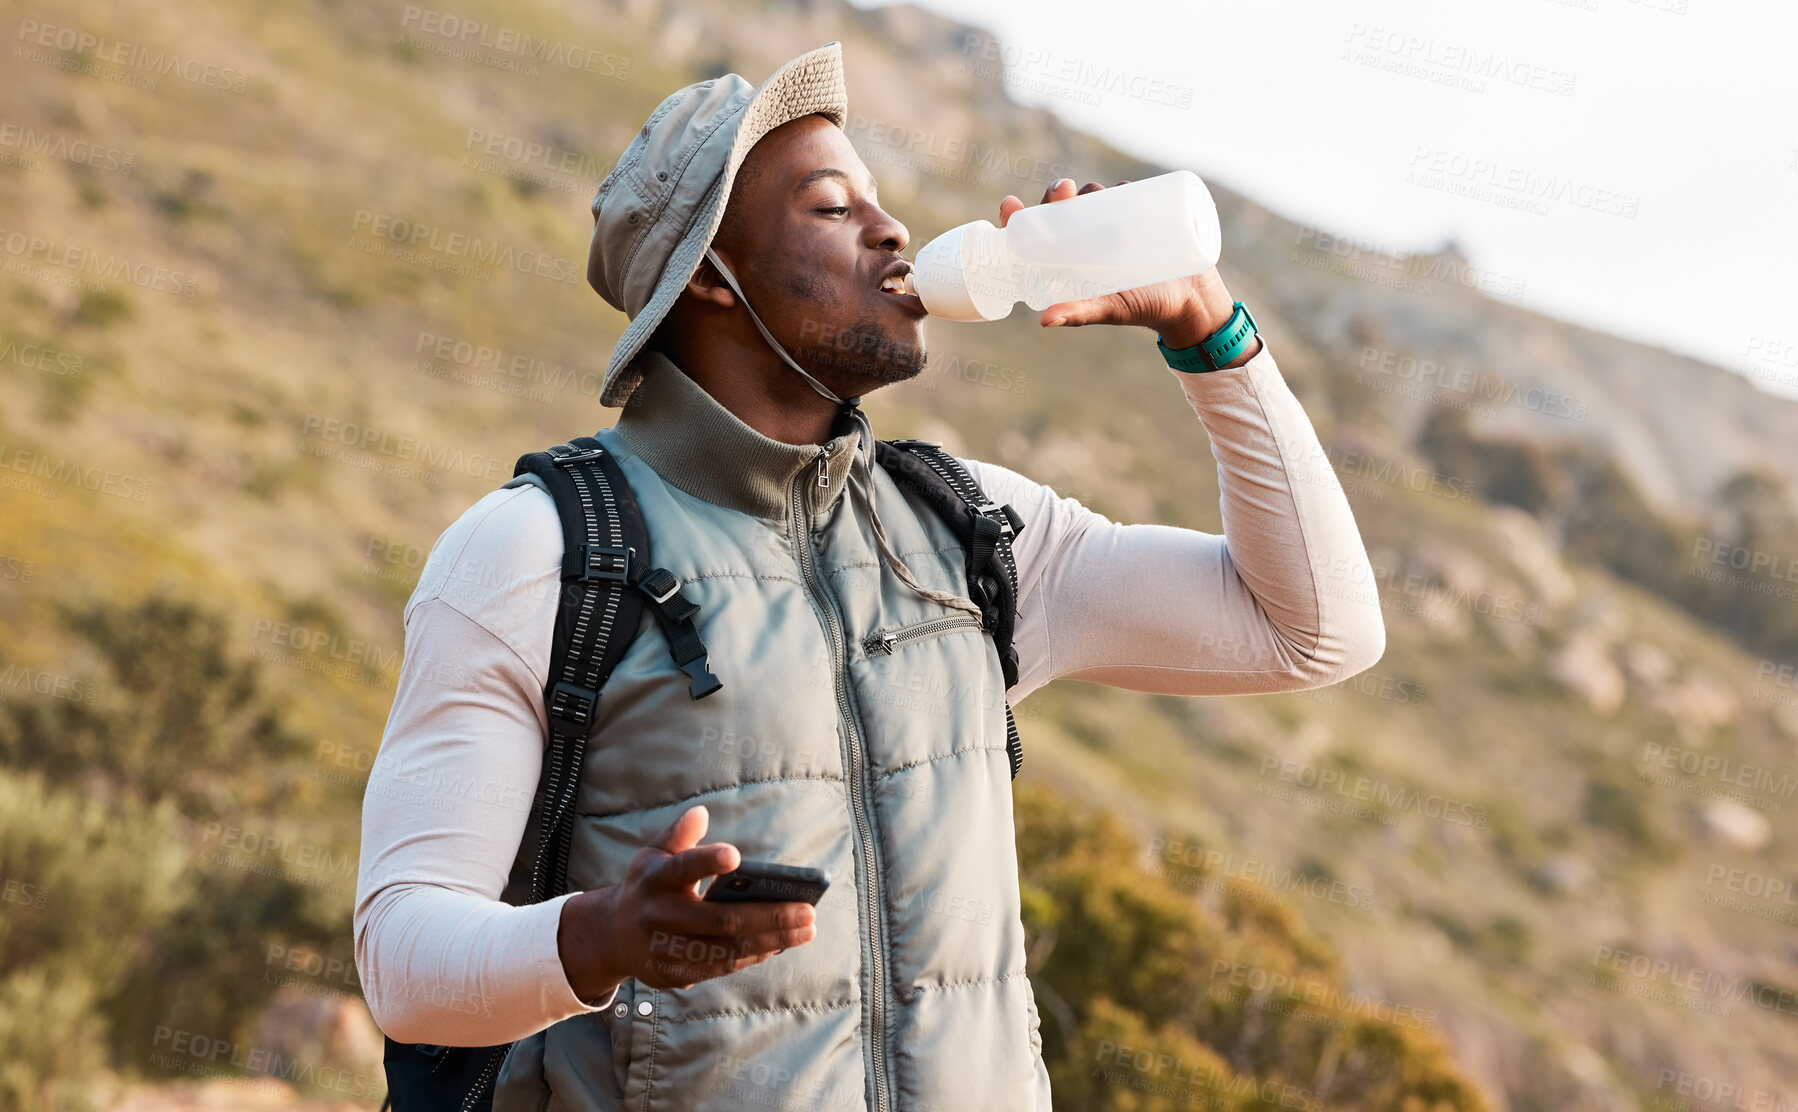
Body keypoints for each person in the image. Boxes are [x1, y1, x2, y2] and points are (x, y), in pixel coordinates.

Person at [354, 41, 1384, 1112]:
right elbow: (402, 960)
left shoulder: (971, 528)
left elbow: (1311, 631)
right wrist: (604, 934)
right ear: (711, 270)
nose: (892, 231)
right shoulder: (536, 549)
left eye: (879, 202)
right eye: (831, 206)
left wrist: (1210, 331)